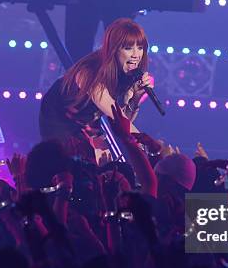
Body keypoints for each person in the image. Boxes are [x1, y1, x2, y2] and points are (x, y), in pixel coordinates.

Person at [39, 18, 155, 163]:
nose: (136, 55)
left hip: (89, 120)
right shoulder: (90, 73)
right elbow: (117, 116)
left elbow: (122, 126)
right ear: (114, 49)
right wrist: (153, 148)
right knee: (66, 166)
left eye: (140, 47)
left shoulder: (126, 72)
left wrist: (135, 98)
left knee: (102, 166)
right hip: (59, 119)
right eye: (128, 48)